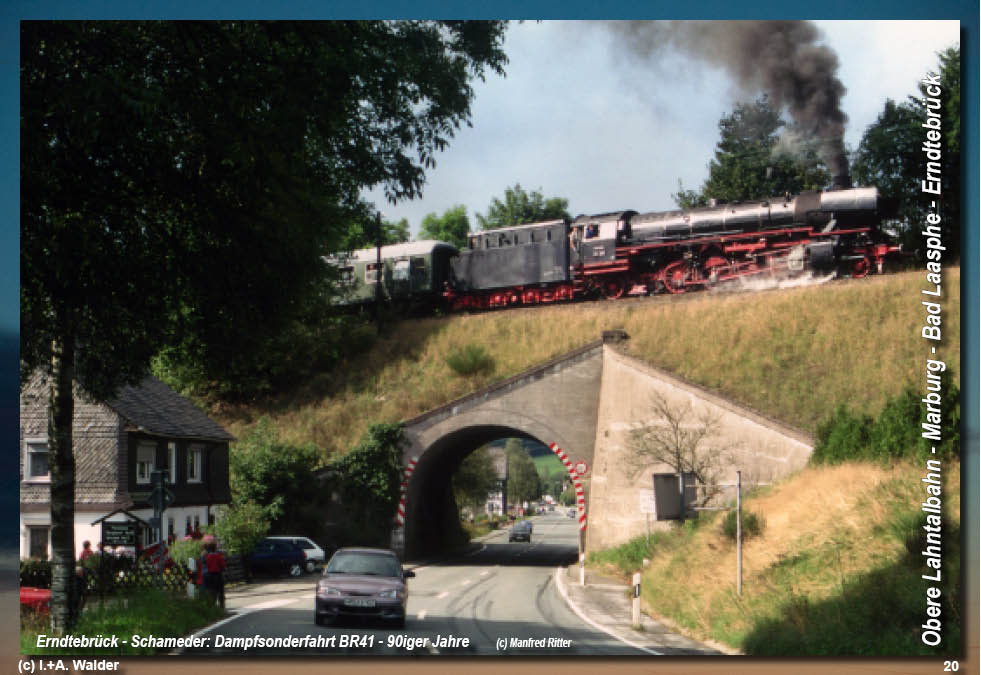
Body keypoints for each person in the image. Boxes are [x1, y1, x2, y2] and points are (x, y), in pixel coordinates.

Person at [202, 539, 226, 608]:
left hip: (208, 575)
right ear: (215, 548)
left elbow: (205, 564)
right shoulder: (218, 556)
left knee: (210, 591)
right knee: (220, 591)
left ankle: (211, 605)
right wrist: (223, 569)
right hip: (217, 575)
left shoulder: (206, 556)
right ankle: (221, 606)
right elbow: (223, 565)